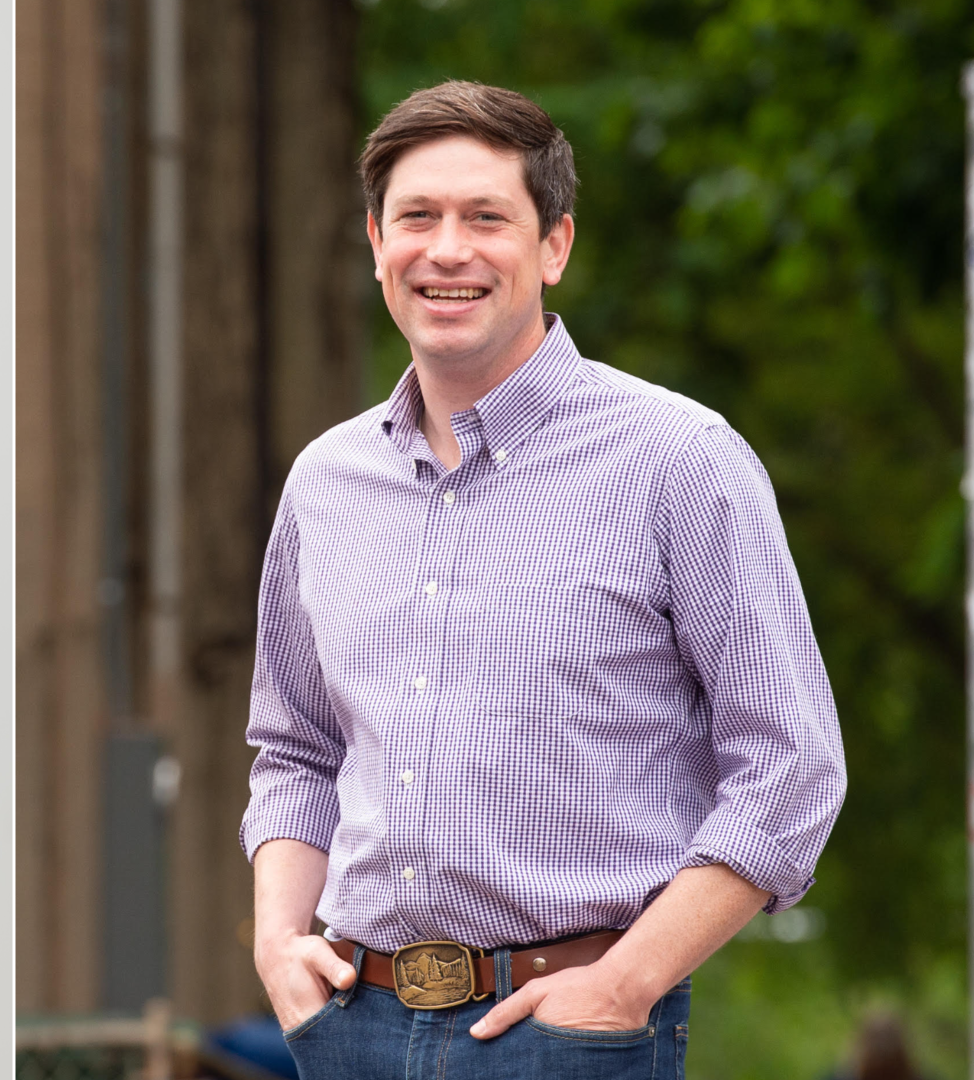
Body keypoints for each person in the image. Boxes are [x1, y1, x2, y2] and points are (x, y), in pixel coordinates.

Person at [242, 80, 845, 1079]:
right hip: (347, 1027)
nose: (447, 250)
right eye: (416, 218)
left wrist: (625, 984)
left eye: (488, 218)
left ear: (554, 245)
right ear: (375, 241)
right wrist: (275, 941)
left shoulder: (678, 461)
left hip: (573, 1034)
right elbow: (294, 751)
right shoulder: (325, 484)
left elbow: (789, 770)